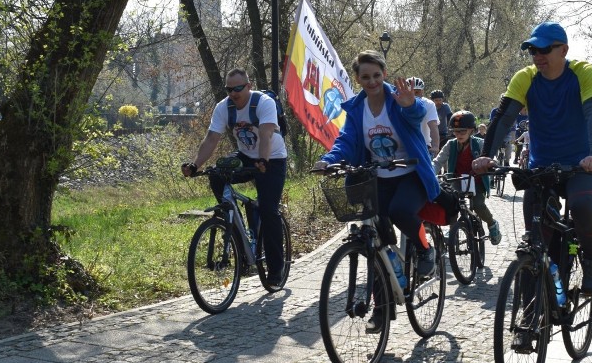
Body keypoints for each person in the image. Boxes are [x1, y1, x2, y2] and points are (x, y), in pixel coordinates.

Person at [471, 21, 592, 296]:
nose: (537, 56)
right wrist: (486, 156)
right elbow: (504, 117)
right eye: (532, 50)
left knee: (581, 207)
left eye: (545, 49)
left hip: (581, 165)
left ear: (564, 50)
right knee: (535, 241)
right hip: (541, 166)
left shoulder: (583, 73)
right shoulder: (525, 77)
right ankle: (530, 317)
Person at [314, 51, 441, 332]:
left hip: (411, 173)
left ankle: (424, 249)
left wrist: (410, 106)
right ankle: (382, 312)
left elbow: (415, 113)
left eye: (376, 75)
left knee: (399, 211)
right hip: (377, 177)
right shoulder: (357, 108)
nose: (371, 81)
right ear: (358, 79)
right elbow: (346, 140)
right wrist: (330, 160)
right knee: (376, 242)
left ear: (384, 74)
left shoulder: (399, 99)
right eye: (365, 76)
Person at [181, 68, 288, 287]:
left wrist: (264, 161)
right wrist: (195, 165)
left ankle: (276, 270)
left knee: (269, 211)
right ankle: (234, 228)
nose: (234, 93)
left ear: (248, 86)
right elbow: (211, 139)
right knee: (217, 174)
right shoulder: (224, 107)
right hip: (246, 155)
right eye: (230, 89)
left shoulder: (263, 103)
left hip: (272, 158)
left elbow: (266, 134)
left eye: (238, 88)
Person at [432, 110, 502, 245]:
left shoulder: (480, 143)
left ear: (472, 130)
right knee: (451, 203)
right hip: (457, 180)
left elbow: (491, 159)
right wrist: (429, 172)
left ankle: (492, 224)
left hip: (476, 180)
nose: (458, 135)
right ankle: (453, 230)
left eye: (462, 131)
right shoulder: (450, 144)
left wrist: (492, 165)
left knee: (478, 205)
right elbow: (438, 161)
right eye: (455, 131)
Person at [407, 77, 440, 155]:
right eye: (410, 92)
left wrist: (435, 146)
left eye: (417, 92)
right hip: (404, 146)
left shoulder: (428, 104)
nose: (413, 95)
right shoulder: (399, 103)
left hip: (423, 145)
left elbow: (433, 125)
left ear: (422, 92)